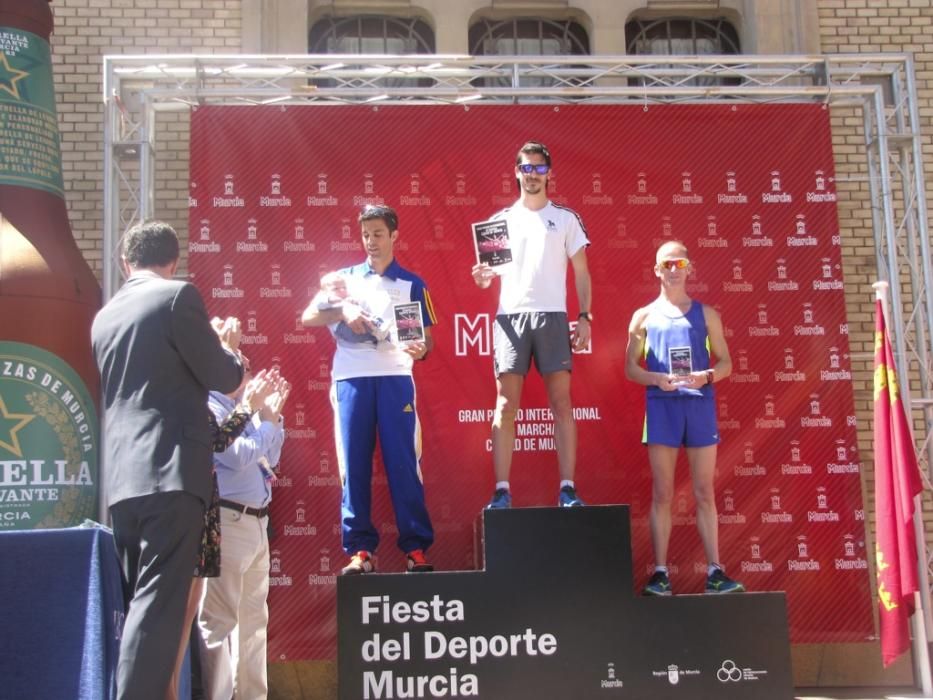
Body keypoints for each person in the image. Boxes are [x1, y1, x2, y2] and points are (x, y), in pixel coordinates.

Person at [91, 220, 244, 700]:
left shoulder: (104, 316)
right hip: (170, 476)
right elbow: (224, 376)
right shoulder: (177, 296)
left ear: (125, 263)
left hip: (121, 485)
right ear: (173, 261)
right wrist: (230, 349)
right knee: (157, 613)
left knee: (144, 609)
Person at [302, 203, 437, 575]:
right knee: (354, 465)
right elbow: (308, 316)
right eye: (365, 235)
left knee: (404, 463)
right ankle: (361, 551)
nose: (371, 241)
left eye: (378, 234)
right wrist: (342, 312)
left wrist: (421, 349)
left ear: (394, 235)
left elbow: (426, 341)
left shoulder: (412, 283)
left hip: (395, 377)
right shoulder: (343, 280)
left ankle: (416, 548)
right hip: (351, 378)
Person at [471, 140, 592, 509]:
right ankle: (502, 491)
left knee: (562, 403)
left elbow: (582, 272)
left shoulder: (566, 218)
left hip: (554, 315)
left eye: (540, 169)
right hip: (511, 317)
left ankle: (568, 489)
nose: (533, 175)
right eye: (527, 168)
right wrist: (481, 278)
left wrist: (584, 315)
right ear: (517, 172)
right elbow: (487, 277)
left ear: (549, 174)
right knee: (506, 404)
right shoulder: (498, 222)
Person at [624, 240, 744, 596]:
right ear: (656, 270)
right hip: (661, 405)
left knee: (704, 491)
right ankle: (660, 573)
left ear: (689, 268)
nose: (674, 270)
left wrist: (704, 376)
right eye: (667, 264)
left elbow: (726, 364)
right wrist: (655, 378)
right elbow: (630, 368)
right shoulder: (642, 316)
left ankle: (715, 573)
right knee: (662, 493)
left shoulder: (707, 315)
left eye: (680, 264)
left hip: (699, 404)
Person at [197, 365, 289, 699]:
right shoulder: (210, 405)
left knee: (253, 624)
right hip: (226, 518)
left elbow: (271, 457)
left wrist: (272, 417)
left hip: (257, 521)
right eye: (241, 366)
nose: (249, 373)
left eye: (248, 367)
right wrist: (259, 418)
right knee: (219, 621)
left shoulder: (247, 408)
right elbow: (235, 457)